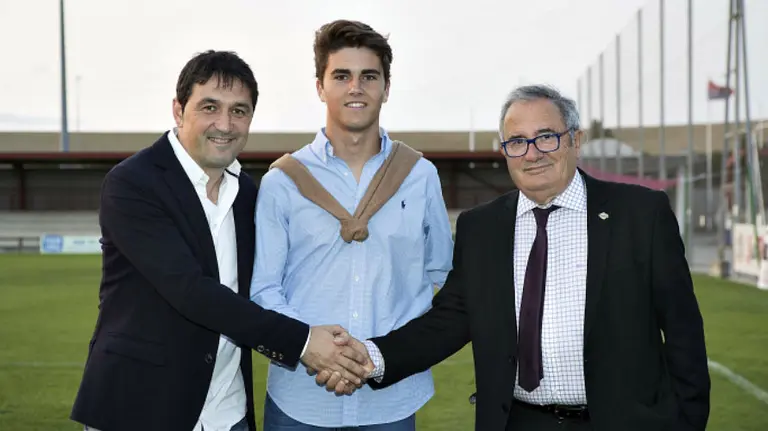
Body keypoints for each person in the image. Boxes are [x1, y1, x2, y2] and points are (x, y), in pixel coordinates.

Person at [322, 85, 711, 430]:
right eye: (517, 142)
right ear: (505, 151)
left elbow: (683, 331)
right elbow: (450, 320)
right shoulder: (482, 228)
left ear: (575, 140)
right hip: (519, 421)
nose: (532, 153)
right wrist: (371, 355)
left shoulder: (641, 214)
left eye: (546, 137)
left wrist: (688, 420)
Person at [70, 50, 371, 431]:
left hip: (228, 413)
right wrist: (305, 342)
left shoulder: (247, 193)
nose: (225, 124)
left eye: (239, 111)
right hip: (140, 406)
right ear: (179, 111)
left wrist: (341, 344)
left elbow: (270, 284)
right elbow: (190, 291)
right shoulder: (133, 183)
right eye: (210, 107)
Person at [249, 20, 453, 431]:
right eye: (341, 76)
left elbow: (443, 279)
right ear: (320, 86)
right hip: (300, 401)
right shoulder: (281, 182)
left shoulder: (421, 175)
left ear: (387, 87)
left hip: (392, 399)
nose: (355, 88)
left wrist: (385, 356)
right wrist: (313, 347)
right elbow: (264, 289)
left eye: (369, 76)